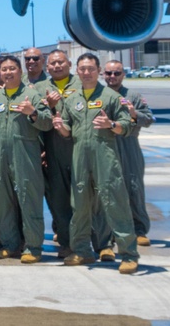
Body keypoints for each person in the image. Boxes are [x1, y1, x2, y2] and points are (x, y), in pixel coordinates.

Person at [53, 54, 139, 274]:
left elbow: (127, 125)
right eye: (82, 69)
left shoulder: (111, 97)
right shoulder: (72, 99)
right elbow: (68, 132)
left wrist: (111, 124)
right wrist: (60, 126)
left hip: (105, 156)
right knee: (79, 205)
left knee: (114, 203)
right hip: (80, 156)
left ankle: (128, 254)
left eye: (90, 68)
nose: (86, 72)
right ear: (77, 71)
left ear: (99, 70)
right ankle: (82, 251)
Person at [0, 56, 53, 262]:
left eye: (12, 68)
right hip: (1, 157)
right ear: (0, 73)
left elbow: (47, 123)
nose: (8, 72)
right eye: (4, 69)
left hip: (26, 156)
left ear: (20, 71)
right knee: (4, 204)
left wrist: (33, 113)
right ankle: (10, 245)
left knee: (29, 202)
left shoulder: (32, 95)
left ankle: (33, 247)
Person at [104, 60, 155, 246]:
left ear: (123, 75)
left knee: (134, 188)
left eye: (116, 73)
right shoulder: (98, 95)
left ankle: (139, 229)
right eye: (108, 73)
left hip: (128, 144)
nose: (112, 77)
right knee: (107, 190)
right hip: (106, 145)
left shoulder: (133, 96)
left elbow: (148, 118)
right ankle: (108, 231)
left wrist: (134, 114)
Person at [35, 49, 79, 257]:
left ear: (69, 64)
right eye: (52, 64)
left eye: (60, 62)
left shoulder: (81, 85)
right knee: (59, 200)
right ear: (47, 67)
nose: (56, 66)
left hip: (79, 149)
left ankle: (94, 241)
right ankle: (66, 242)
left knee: (85, 199)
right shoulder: (39, 88)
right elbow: (33, 121)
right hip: (53, 151)